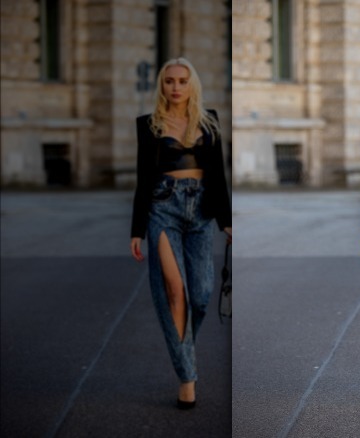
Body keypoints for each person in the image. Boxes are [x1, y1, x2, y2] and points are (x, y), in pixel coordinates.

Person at [130, 57, 231, 409]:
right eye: (169, 81)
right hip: (163, 208)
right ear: (162, 85)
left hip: (201, 211)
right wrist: (137, 229)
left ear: (192, 85)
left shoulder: (209, 122)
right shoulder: (149, 125)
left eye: (182, 81)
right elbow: (143, 179)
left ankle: (182, 346)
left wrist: (226, 220)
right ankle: (187, 378)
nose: (175, 87)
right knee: (174, 292)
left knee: (201, 295)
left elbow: (218, 175)